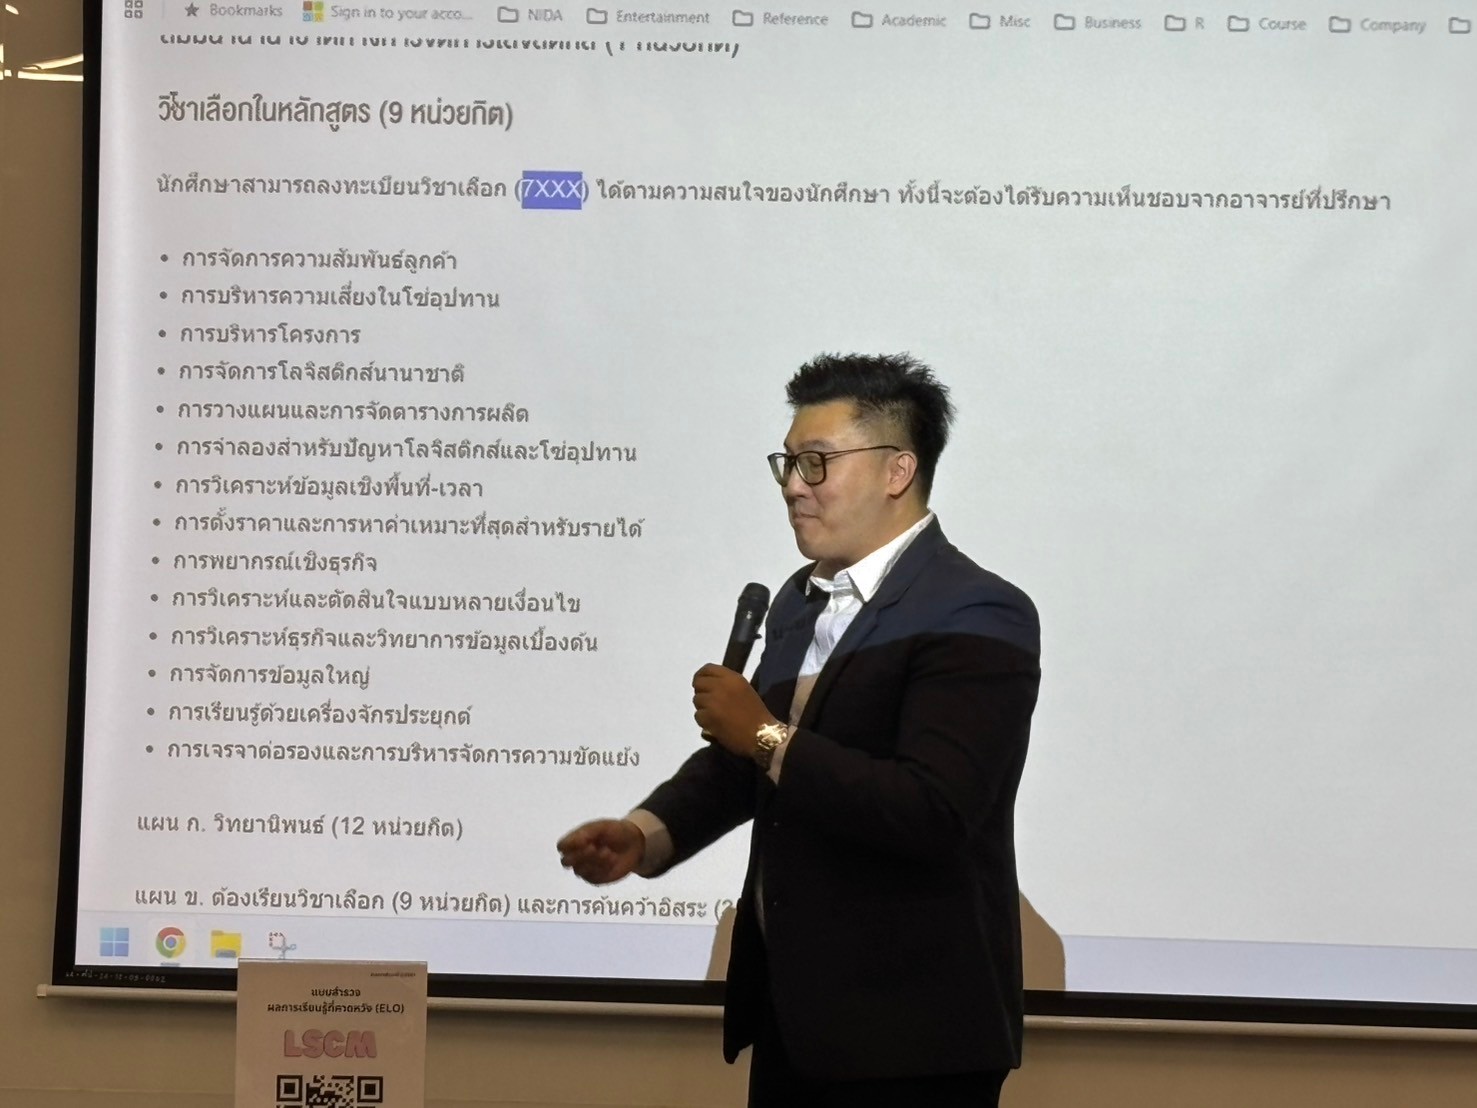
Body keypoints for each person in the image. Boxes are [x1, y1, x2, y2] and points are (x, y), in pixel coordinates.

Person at [557, 353, 1041, 1107]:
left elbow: (932, 809)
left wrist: (763, 735)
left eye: (817, 462)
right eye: (787, 463)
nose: (792, 485)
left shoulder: (977, 611)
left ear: (898, 470)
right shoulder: (800, 601)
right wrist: (645, 834)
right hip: (797, 1019)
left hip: (911, 1035)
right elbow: (743, 763)